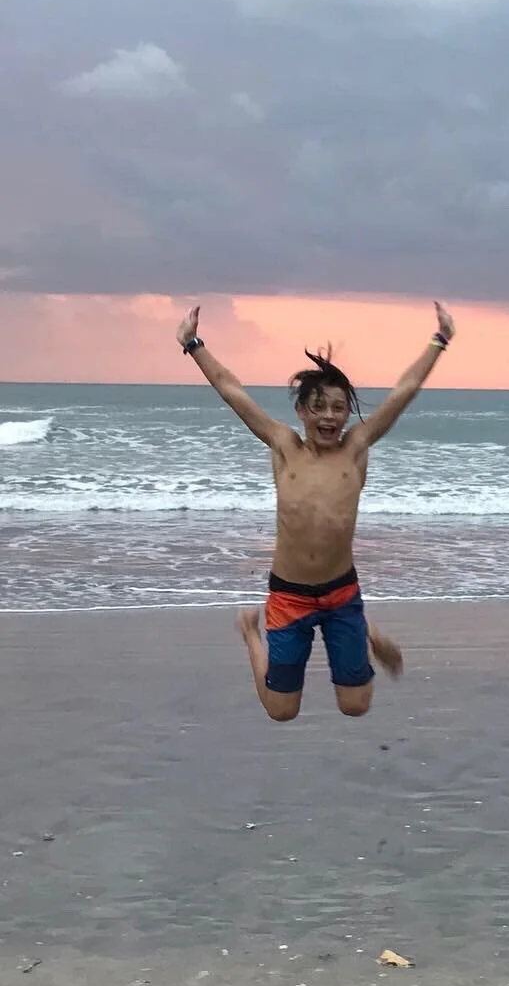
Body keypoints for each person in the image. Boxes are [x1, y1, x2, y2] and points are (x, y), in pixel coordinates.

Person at [176, 301, 456, 721]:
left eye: (339, 408)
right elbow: (232, 391)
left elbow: (405, 391)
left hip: (342, 594)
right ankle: (251, 633)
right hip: (289, 596)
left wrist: (440, 340)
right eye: (319, 407)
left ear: (348, 414)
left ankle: (363, 632)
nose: (329, 416)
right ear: (301, 411)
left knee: (356, 706)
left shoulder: (356, 448)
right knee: (280, 711)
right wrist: (193, 344)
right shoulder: (284, 446)